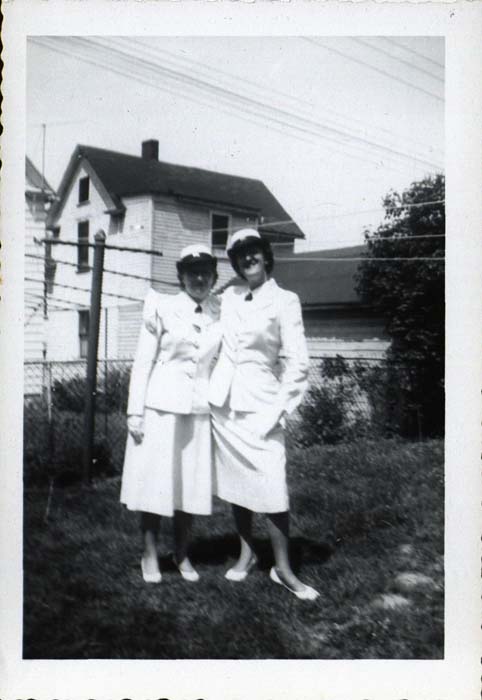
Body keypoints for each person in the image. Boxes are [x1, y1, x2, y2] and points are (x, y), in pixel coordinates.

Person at [209, 229, 319, 600]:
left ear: (266, 255)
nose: (248, 259)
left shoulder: (286, 300)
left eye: (253, 252)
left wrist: (279, 410)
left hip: (263, 403)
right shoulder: (228, 297)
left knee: (273, 486)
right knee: (236, 483)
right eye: (240, 255)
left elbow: (299, 363)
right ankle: (247, 553)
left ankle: (283, 569)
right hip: (224, 404)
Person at [120, 244, 221, 584]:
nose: (199, 278)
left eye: (205, 271)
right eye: (192, 272)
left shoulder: (219, 312)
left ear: (213, 276)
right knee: (156, 484)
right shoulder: (161, 307)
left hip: (198, 411)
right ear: (181, 276)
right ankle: (149, 553)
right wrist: (135, 413)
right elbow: (143, 361)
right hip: (160, 409)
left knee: (189, 486)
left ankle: (182, 553)